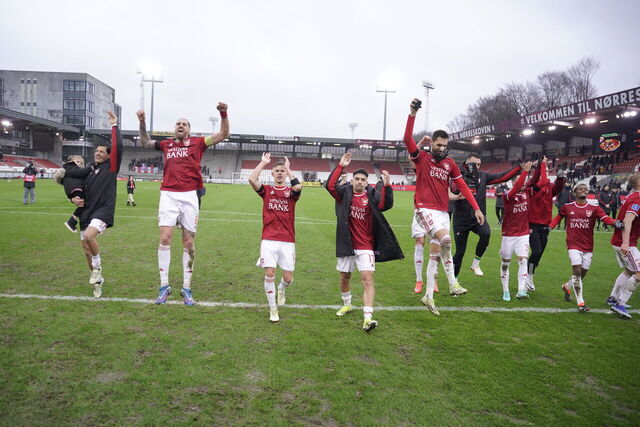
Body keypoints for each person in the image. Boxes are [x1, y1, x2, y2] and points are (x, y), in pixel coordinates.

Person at [137, 103, 230, 306]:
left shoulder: (199, 143)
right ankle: (164, 286)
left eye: (184, 124)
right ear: (174, 128)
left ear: (189, 129)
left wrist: (223, 113)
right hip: (168, 194)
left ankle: (186, 289)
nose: (180, 126)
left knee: (188, 242)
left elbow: (223, 133)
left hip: (190, 195)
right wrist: (142, 123)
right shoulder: (166, 145)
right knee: (165, 237)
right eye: (178, 123)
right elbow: (144, 142)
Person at [403, 98, 484, 315]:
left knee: (436, 253)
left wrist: (476, 207)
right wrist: (412, 114)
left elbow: (463, 186)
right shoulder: (422, 158)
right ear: (432, 144)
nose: (442, 148)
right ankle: (454, 283)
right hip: (423, 209)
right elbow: (407, 139)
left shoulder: (450, 164)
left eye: (445, 146)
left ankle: (428, 296)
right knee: (447, 240)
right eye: (439, 145)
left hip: (441, 212)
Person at [325, 152, 402, 331]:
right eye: (356, 179)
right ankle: (347, 304)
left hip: (366, 246)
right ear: (352, 181)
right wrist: (341, 165)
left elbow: (385, 205)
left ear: (367, 182)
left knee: (367, 279)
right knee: (345, 277)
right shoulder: (343, 194)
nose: (359, 181)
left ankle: (368, 318)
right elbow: (329, 186)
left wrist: (388, 186)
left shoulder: (372, 196)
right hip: (346, 243)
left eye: (362, 179)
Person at [69, 111, 123, 298]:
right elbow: (74, 185)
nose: (98, 153)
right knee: (86, 249)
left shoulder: (111, 167)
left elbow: (118, 147)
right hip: (87, 212)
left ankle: (97, 268)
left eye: (102, 152)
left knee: (90, 237)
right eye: (97, 151)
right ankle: (98, 281)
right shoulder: (89, 170)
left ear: (109, 156)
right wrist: (73, 197)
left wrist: (114, 125)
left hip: (103, 210)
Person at [549, 183, 621, 312]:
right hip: (573, 244)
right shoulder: (567, 207)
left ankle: (567, 286)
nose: (584, 191)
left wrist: (616, 223)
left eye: (586, 189)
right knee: (577, 271)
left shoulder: (594, 208)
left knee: (582, 273)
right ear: (575, 192)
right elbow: (558, 217)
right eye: (581, 189)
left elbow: (605, 219)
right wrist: (550, 226)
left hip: (588, 245)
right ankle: (581, 302)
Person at [249, 153, 302, 322]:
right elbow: (252, 179)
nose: (280, 173)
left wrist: (289, 168)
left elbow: (298, 188)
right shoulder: (267, 191)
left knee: (288, 278)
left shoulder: (291, 192)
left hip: (287, 240)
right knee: (270, 272)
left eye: (282, 171)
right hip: (269, 239)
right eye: (277, 171)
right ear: (272, 174)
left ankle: (282, 288)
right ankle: (273, 309)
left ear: (285, 174)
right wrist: (263, 162)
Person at [450, 154, 520, 279]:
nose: (476, 167)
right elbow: (453, 190)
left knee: (486, 234)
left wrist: (519, 167)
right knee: (460, 252)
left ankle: (476, 263)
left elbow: (502, 177)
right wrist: (464, 180)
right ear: (466, 163)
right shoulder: (458, 176)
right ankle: (454, 281)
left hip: (478, 217)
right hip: (461, 220)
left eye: (478, 164)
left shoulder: (483, 176)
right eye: (473, 164)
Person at [526, 157, 566, 291]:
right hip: (532, 225)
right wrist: (542, 165)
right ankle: (528, 276)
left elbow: (558, 188)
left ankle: (530, 270)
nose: (547, 172)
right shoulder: (531, 186)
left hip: (545, 226)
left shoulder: (550, 186)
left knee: (539, 254)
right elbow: (541, 179)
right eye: (545, 170)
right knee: (536, 251)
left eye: (548, 170)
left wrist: (560, 178)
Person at [499, 161, 535, 301]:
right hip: (508, 235)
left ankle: (521, 290)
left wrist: (540, 166)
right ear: (514, 183)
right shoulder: (507, 195)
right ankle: (505, 290)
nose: (523, 184)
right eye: (520, 181)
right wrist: (524, 171)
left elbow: (536, 181)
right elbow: (517, 187)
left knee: (523, 261)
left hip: (523, 234)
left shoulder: (527, 193)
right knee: (505, 264)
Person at [607, 173, 640, 318]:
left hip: (620, 241)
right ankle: (620, 304)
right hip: (625, 243)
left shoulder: (633, 196)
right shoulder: (637, 198)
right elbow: (628, 221)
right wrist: (626, 243)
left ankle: (613, 298)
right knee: (639, 273)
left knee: (629, 271)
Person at [53, 155, 94, 232]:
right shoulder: (71, 168)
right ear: (71, 162)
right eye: (78, 162)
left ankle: (72, 220)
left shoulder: (70, 170)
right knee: (84, 204)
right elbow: (80, 172)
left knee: (83, 204)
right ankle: (72, 220)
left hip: (75, 190)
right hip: (75, 189)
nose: (79, 164)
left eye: (81, 163)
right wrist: (90, 168)